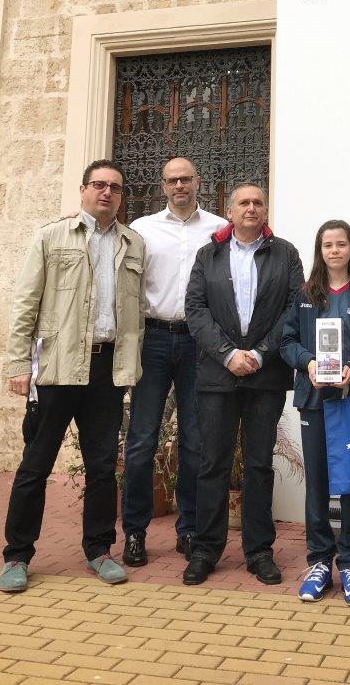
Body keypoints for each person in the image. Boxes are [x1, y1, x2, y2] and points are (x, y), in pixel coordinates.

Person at [0, 160, 146, 593]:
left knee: (102, 468)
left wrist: (131, 366)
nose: (107, 193)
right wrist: (18, 366)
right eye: (99, 185)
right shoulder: (52, 236)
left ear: (121, 196)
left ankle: (99, 550)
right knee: (35, 465)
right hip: (57, 368)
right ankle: (17, 556)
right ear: (83, 190)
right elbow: (26, 303)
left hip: (107, 370)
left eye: (115, 187)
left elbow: (136, 311)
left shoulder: (133, 243)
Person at [183, 183, 304, 586]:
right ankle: (205, 549)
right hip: (218, 375)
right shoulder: (209, 254)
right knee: (212, 463)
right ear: (230, 211)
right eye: (244, 203)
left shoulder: (285, 254)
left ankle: (259, 551)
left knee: (258, 464)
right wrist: (227, 354)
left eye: (258, 203)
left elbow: (294, 308)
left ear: (265, 211)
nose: (251, 208)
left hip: (265, 375)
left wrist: (262, 353)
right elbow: (196, 309)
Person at [121, 157, 227, 567]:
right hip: (153, 339)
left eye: (186, 179)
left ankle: (190, 529)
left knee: (195, 441)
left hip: (200, 343)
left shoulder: (219, 228)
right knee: (142, 439)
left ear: (198, 182)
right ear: (163, 185)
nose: (180, 185)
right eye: (172, 180)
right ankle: (135, 531)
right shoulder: (143, 228)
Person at [280, 220, 350, 606]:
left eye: (341, 244)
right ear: (320, 251)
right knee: (318, 481)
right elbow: (287, 341)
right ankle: (319, 563)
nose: (334, 251)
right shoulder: (304, 294)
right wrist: (309, 363)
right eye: (327, 245)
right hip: (313, 400)